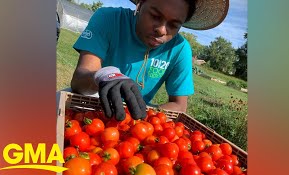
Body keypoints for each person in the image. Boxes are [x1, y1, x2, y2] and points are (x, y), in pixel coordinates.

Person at [70, 0, 229, 121]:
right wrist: (103, 76)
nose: (161, 30)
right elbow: (79, 81)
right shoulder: (108, 19)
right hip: (95, 101)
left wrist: (145, 117)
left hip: (139, 115)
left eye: (174, 25)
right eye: (155, 16)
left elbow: (179, 105)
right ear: (140, 3)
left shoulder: (180, 49)